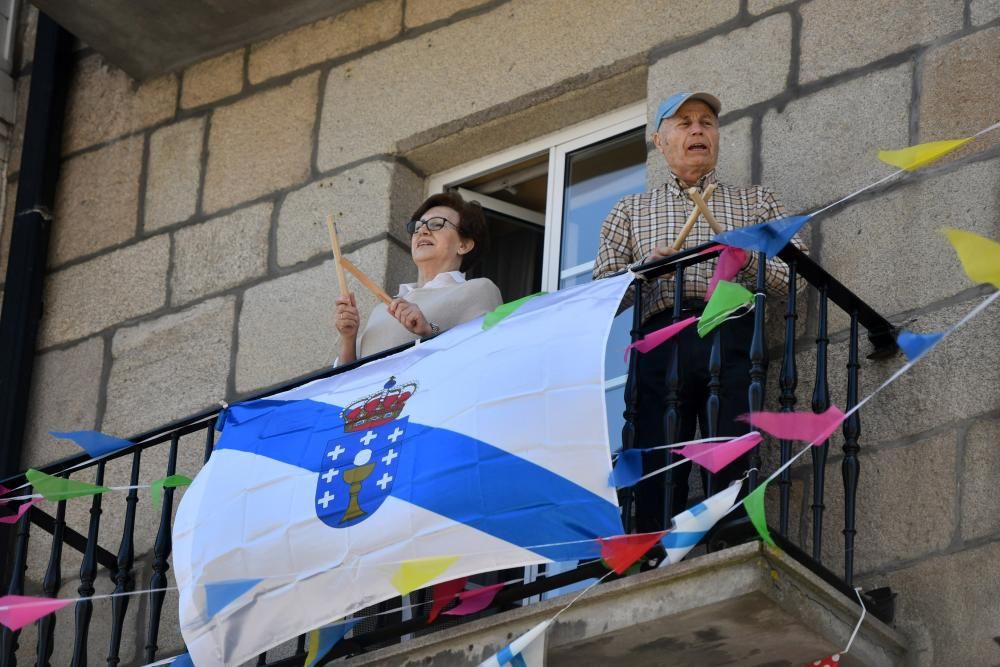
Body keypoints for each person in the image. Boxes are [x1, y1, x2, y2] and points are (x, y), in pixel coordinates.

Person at [593, 91, 806, 534]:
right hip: (659, 336)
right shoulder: (629, 211)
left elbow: (796, 275)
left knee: (730, 438)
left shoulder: (756, 202)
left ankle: (731, 533)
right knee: (656, 446)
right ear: (660, 140)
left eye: (706, 122)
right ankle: (650, 544)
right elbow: (603, 295)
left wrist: (746, 260)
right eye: (684, 122)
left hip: (730, 330)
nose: (697, 130)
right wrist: (644, 272)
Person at [335, 191, 502, 364]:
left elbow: (484, 355)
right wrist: (348, 338)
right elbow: (347, 380)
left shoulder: (478, 290)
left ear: (464, 245)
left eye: (436, 224)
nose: (422, 230)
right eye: (417, 226)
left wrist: (428, 331)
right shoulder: (381, 311)